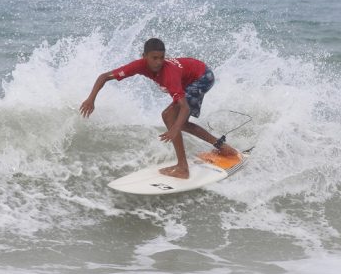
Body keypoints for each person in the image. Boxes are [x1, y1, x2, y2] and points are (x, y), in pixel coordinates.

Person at [80, 38, 238, 179]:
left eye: (162, 58)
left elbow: (185, 108)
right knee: (177, 121)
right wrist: (91, 99)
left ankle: (183, 168)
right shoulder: (138, 65)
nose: (158, 62)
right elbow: (104, 77)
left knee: (170, 116)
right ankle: (224, 148)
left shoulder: (169, 74)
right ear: (144, 57)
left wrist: (174, 129)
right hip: (192, 74)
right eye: (154, 58)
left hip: (202, 77)